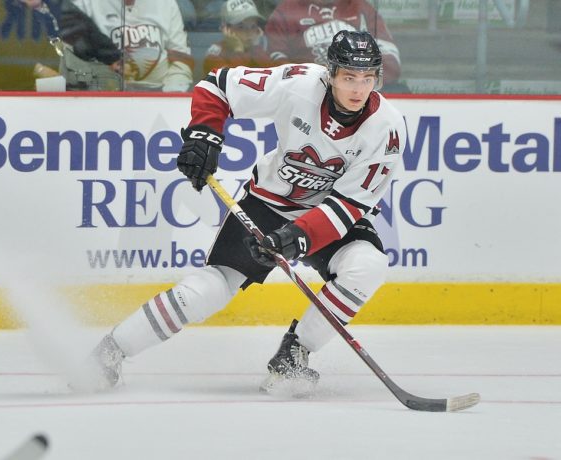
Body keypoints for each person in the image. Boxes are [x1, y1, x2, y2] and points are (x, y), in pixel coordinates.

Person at [85, 30, 406, 395]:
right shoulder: (298, 84)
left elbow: (350, 204)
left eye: (367, 79)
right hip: (269, 204)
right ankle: (109, 353)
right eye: (349, 77)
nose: (358, 89)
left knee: (368, 266)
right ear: (330, 73)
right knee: (209, 290)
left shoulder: (389, 129)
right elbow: (218, 85)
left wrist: (298, 237)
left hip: (331, 215)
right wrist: (204, 134)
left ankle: (292, 356)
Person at [21, 0, 194, 91]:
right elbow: (65, 58)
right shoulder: (84, 4)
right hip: (104, 97)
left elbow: (180, 58)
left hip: (158, 95)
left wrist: (172, 94)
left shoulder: (167, 3)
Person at [264, 0, 404, 92]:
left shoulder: (361, 8)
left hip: (359, 91)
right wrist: (318, 82)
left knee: (398, 89)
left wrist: (358, 81)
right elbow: (275, 65)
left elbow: (391, 62)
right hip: (308, 93)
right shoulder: (286, 11)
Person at [202, 0, 275, 75]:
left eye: (253, 26)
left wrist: (255, 47)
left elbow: (270, 76)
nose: (249, 32)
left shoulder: (258, 50)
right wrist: (238, 50)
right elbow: (235, 82)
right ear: (226, 28)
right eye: (241, 27)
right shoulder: (215, 54)